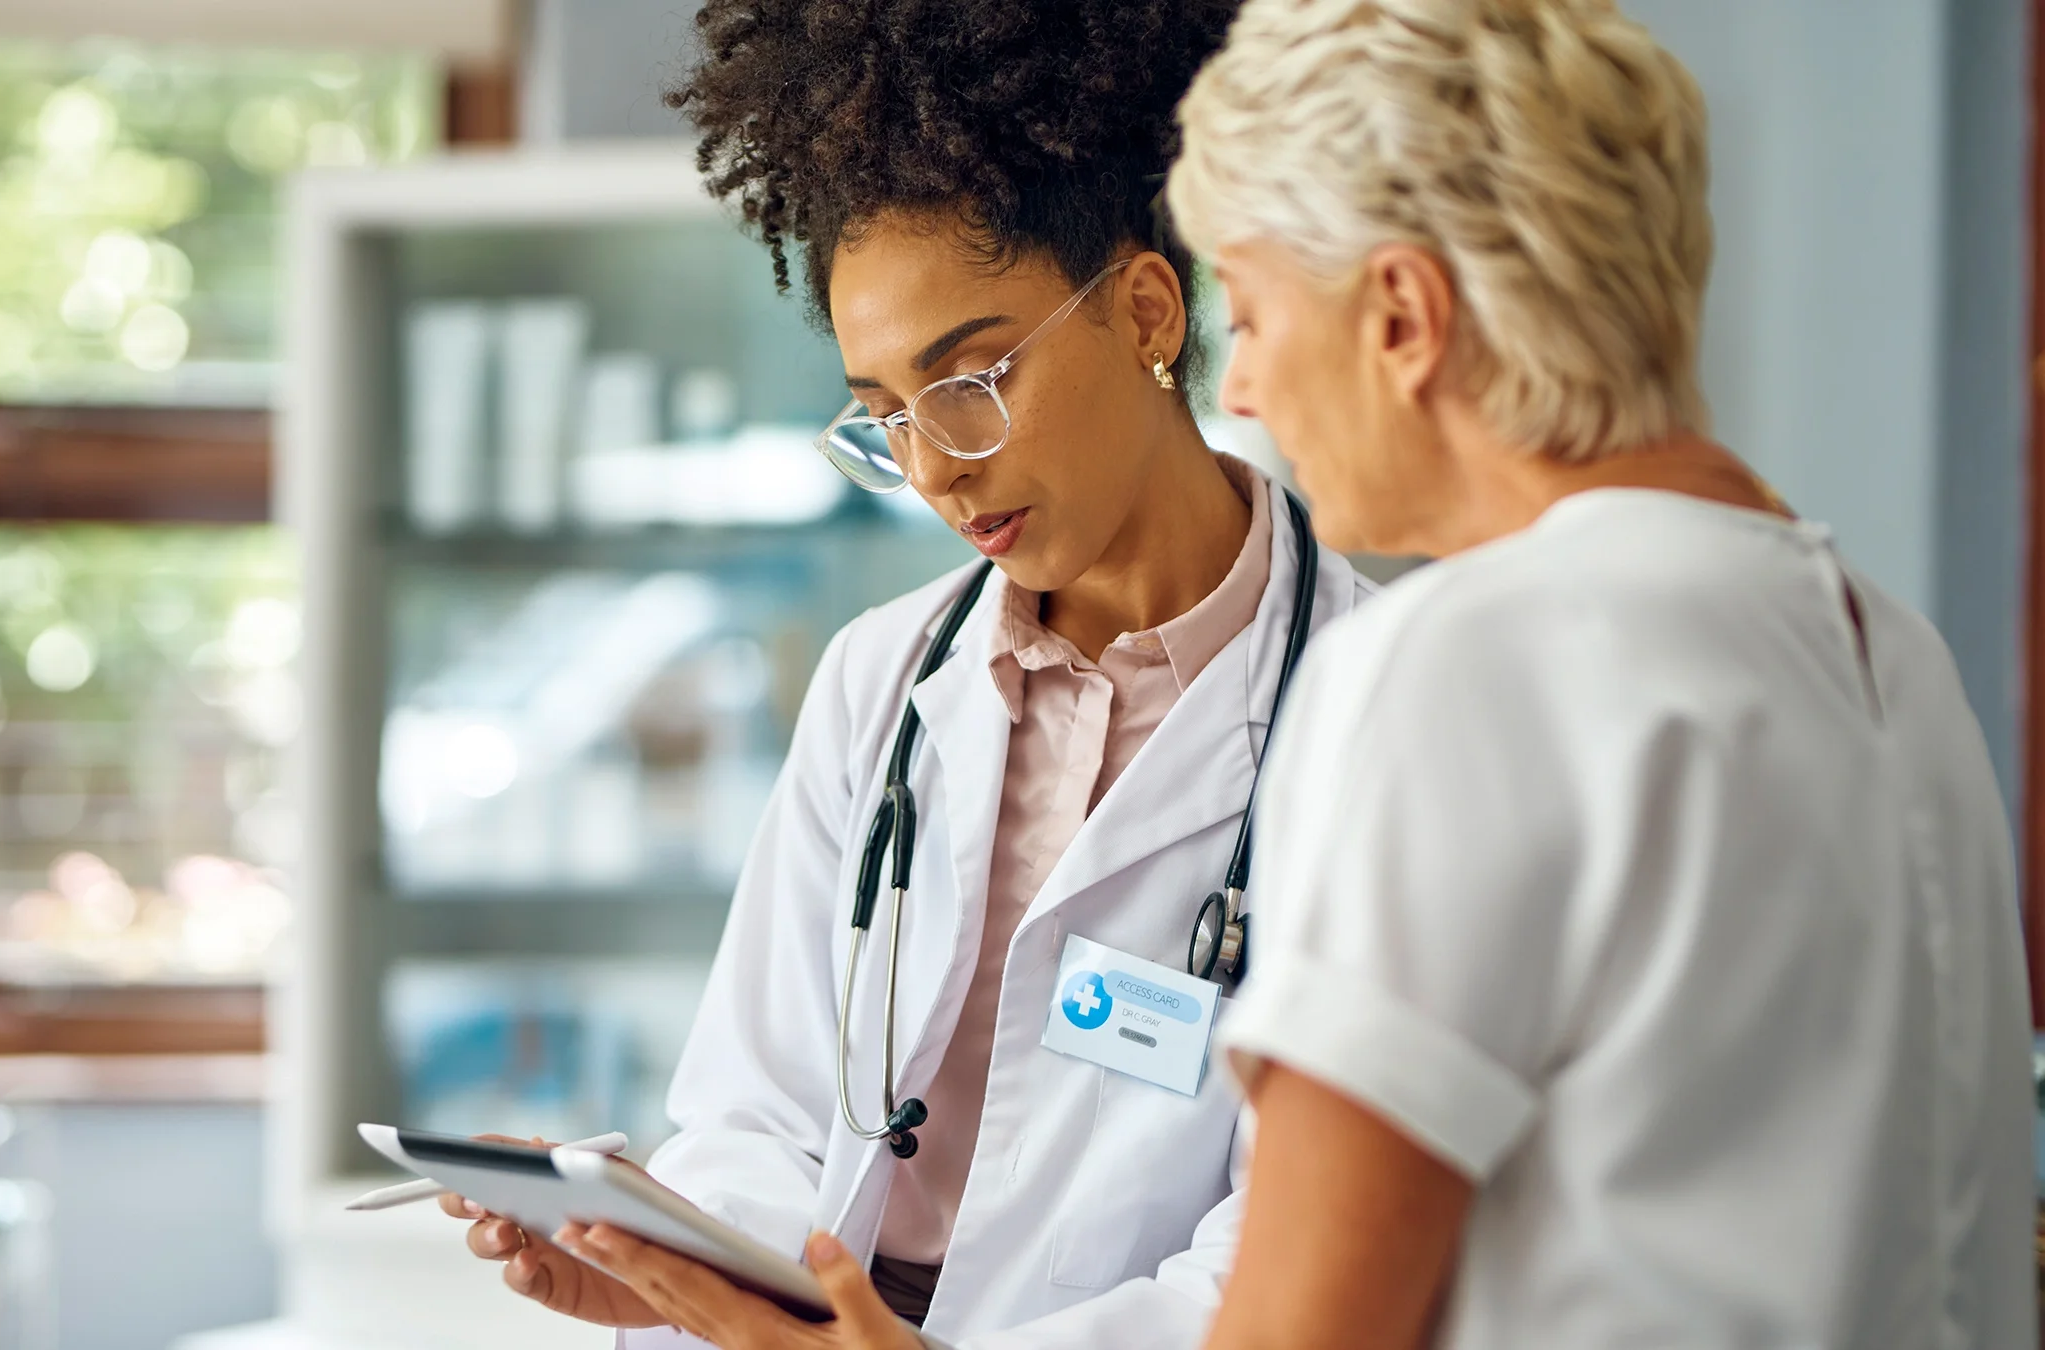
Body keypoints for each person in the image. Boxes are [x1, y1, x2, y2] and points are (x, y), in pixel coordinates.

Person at [557, 2, 2039, 1348]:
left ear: (1399, 318)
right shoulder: (1888, 654)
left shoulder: (1457, 666)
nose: (1244, 383)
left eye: (1255, 313)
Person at [435, 2, 1378, 1348]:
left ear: (1147, 310)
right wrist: (669, 1273)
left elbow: (1288, 1254)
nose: (936, 464)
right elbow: (761, 1109)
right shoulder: (883, 678)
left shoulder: (1372, 701)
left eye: (971, 377)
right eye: (882, 414)